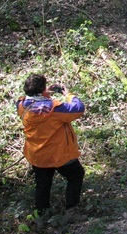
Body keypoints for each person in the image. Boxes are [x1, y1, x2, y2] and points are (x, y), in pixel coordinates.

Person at [17, 73, 86, 224]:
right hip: (58, 153)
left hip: (37, 154)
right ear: (41, 91)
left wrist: (44, 92)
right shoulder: (53, 109)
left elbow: (29, 100)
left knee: (42, 184)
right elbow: (78, 109)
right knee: (76, 175)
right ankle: (70, 212)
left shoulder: (22, 105)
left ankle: (41, 217)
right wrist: (68, 94)